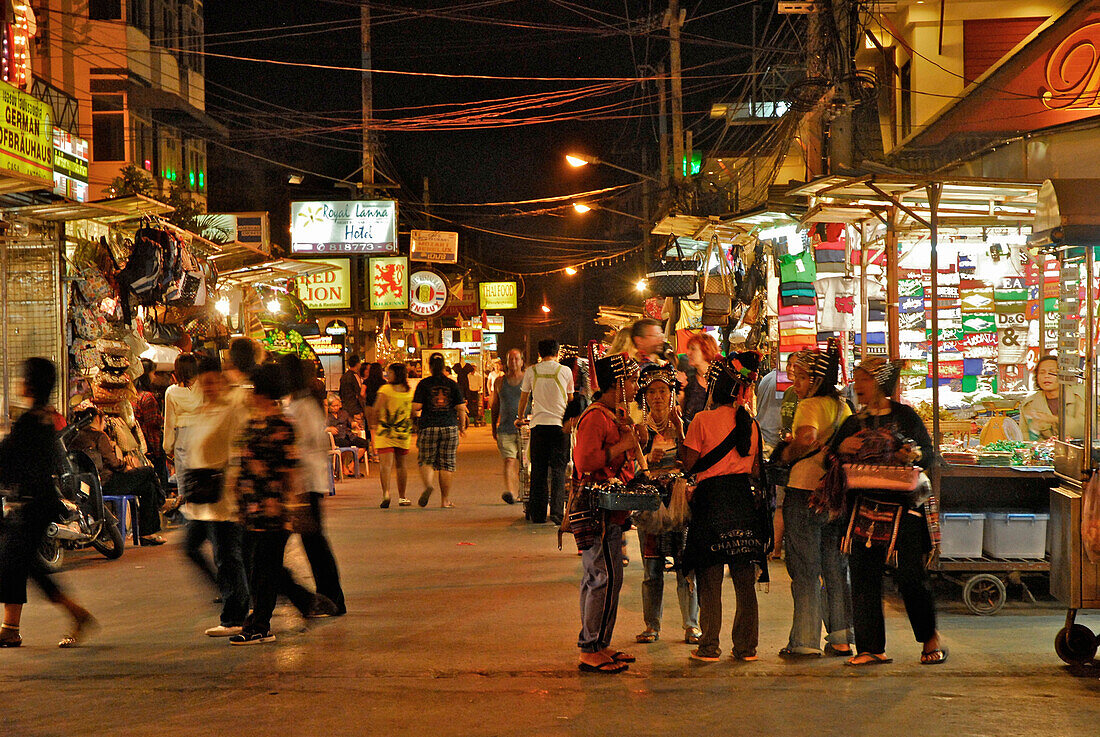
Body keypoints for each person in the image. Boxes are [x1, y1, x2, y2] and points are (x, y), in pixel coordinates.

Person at [831, 357, 945, 666]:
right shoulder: (853, 422)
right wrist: (842, 449)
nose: (858, 387)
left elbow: (928, 454)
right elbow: (832, 455)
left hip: (906, 507)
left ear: (880, 383)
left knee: (911, 576)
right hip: (864, 506)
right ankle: (870, 648)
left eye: (864, 380)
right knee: (864, 576)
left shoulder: (906, 417)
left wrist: (912, 453)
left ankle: (929, 638)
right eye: (857, 379)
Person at [678, 353, 771, 662]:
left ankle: (709, 647)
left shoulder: (702, 420)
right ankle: (747, 648)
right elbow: (757, 469)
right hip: (743, 501)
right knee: (745, 581)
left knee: (711, 578)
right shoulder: (751, 424)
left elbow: (688, 464)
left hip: (711, 501)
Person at [0, 358, 95, 648]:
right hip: (35, 503)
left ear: (30, 384)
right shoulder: (43, 418)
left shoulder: (31, 421)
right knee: (18, 565)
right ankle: (10, 627)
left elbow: (8, 457)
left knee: (18, 565)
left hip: (32, 505)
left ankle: (75, 614)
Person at [230, 362, 315, 645]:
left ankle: (260, 625)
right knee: (258, 567)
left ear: (264, 393)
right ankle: (303, 602)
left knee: (264, 570)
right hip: (251, 508)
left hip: (274, 509)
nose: (250, 393)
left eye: (254, 389)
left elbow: (290, 468)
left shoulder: (282, 425)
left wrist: (291, 504)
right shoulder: (253, 422)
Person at [778, 340, 853, 658]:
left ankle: (805, 641)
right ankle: (840, 638)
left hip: (805, 492)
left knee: (806, 568)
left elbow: (806, 438)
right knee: (835, 567)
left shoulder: (809, 406)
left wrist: (787, 453)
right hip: (834, 495)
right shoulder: (843, 407)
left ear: (817, 380)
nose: (796, 383)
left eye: (802, 377)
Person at [572, 352, 641, 674]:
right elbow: (586, 463)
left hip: (609, 511)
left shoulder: (612, 415)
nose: (635, 386)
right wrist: (622, 445)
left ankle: (599, 643)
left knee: (608, 577)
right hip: (595, 509)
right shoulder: (596, 418)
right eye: (631, 381)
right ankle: (590, 648)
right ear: (617, 385)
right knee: (603, 577)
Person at [631, 365, 700, 647]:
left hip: (680, 502)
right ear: (644, 396)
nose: (657, 397)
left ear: (672, 394)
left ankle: (691, 625)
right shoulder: (639, 430)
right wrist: (648, 458)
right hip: (651, 503)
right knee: (651, 569)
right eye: (652, 391)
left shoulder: (685, 424)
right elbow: (635, 467)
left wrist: (681, 430)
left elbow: (692, 462)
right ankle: (652, 625)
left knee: (687, 568)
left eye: (663, 391)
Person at [183, 356, 251, 637]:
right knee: (193, 547)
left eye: (213, 381)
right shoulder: (200, 409)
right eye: (204, 382)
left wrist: (234, 483)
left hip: (223, 493)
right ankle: (235, 595)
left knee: (227, 554)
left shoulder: (233, 405)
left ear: (220, 379)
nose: (208, 386)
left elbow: (238, 447)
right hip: (201, 494)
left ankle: (234, 615)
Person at [281, 354, 346, 616]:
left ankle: (329, 598)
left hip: (304, 486)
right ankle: (328, 598)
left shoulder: (303, 407)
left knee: (314, 544)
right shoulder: (303, 404)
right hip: (306, 485)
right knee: (314, 543)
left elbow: (299, 449)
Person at [71, 406, 166, 546]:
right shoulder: (99, 436)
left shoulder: (76, 437)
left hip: (91, 485)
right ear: (97, 419)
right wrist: (125, 466)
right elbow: (112, 462)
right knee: (148, 471)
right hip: (108, 483)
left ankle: (148, 533)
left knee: (148, 487)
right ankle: (162, 502)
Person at [517, 339, 574, 524]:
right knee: (558, 470)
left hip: (539, 427)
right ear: (557, 352)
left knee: (538, 471)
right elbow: (570, 399)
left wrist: (520, 417)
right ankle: (557, 513)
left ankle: (538, 514)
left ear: (540, 353)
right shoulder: (565, 371)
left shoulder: (531, 371)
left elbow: (524, 398)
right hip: (559, 427)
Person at [412, 352, 467, 508]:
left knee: (426, 460)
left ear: (429, 367)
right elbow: (461, 408)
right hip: (449, 426)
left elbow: (416, 407)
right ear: (443, 367)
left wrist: (414, 420)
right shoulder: (452, 384)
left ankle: (428, 485)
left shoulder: (424, 384)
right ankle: (445, 500)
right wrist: (461, 427)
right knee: (447, 464)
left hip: (428, 426)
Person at [372, 362, 415, 508]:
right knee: (401, 466)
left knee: (385, 465)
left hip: (385, 431)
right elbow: (413, 412)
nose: (387, 375)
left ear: (396, 374)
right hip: (403, 432)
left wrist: (375, 424)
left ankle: (386, 493)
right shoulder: (409, 391)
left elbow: (376, 408)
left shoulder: (386, 389)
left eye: (389, 373)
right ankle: (402, 497)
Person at [1019, 354, 1086, 441]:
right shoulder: (1029, 403)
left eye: (1052, 372)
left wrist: (1054, 419)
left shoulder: (1080, 396)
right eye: (1042, 372)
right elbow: (1024, 436)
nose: (1046, 376)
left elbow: (1085, 430)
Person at [163, 353, 202, 499]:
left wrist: (167, 447)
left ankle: (189, 515)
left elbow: (169, 423)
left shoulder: (171, 392)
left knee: (184, 483)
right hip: (202, 435)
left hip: (183, 438)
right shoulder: (202, 388)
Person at [491, 349, 525, 505]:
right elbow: (495, 405)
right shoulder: (499, 381)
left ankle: (522, 492)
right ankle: (510, 492)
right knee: (509, 460)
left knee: (524, 464)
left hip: (525, 429)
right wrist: (493, 426)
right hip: (505, 428)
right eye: (511, 359)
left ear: (522, 361)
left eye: (516, 359)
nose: (513, 362)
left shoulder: (528, 380)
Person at [132, 358, 167, 489]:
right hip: (152, 444)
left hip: (141, 445)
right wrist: (164, 420)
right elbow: (152, 421)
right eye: (153, 373)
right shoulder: (147, 397)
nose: (154, 377)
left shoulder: (134, 395)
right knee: (158, 479)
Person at [325, 395, 369, 476]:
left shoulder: (344, 413)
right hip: (336, 437)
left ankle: (351, 465)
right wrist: (328, 429)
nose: (336, 408)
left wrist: (354, 424)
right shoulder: (326, 415)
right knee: (344, 444)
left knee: (364, 443)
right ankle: (343, 468)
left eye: (337, 405)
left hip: (348, 434)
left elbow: (350, 423)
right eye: (333, 406)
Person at [681, 333, 719, 425]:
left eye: (693, 349)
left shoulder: (721, 379)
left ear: (706, 350)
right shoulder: (688, 381)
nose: (688, 353)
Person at [362, 362, 386, 462]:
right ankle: (381, 452)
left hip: (370, 407)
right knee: (381, 430)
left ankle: (375, 454)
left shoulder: (366, 382)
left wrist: (367, 398)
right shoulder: (384, 382)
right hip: (381, 408)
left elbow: (362, 393)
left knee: (372, 431)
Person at [339, 353, 365, 427]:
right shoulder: (355, 376)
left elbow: (341, 392)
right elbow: (359, 393)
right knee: (357, 428)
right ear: (357, 364)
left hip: (345, 406)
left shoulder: (343, 376)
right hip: (354, 407)